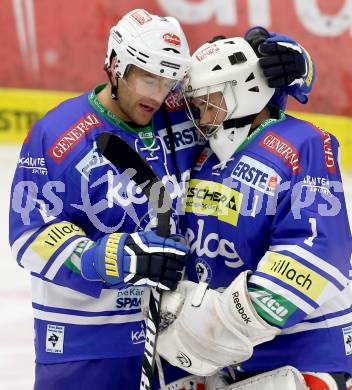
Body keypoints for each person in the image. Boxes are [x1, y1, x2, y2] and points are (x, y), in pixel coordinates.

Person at [9, 7, 316, 390]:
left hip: (179, 341)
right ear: (116, 66)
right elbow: (29, 235)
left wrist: (289, 63)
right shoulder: (57, 134)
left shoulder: (180, 114)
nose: (159, 95)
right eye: (148, 79)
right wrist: (110, 257)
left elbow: (244, 94)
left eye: (169, 81)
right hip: (85, 343)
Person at [157, 36, 352, 389]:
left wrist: (221, 321)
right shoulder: (203, 157)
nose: (199, 112)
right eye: (195, 102)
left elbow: (317, 251)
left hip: (308, 349)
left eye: (208, 100)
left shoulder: (302, 144)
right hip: (233, 357)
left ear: (241, 92)